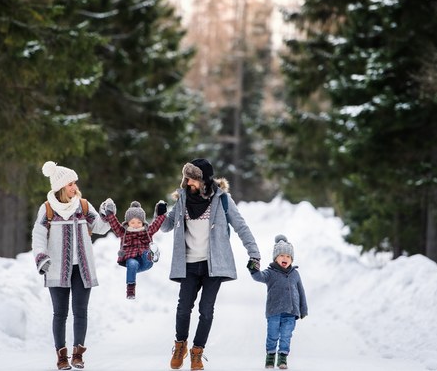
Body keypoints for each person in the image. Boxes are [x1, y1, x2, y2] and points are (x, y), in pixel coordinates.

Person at [160, 158, 261, 370]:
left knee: (206, 310)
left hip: (212, 266)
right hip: (187, 264)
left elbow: (241, 227)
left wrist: (254, 253)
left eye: (192, 179)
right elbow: (166, 226)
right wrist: (159, 214)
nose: (188, 183)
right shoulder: (182, 199)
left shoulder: (222, 200)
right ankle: (180, 346)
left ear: (204, 180)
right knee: (183, 308)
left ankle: (197, 352)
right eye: (186, 179)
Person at [31, 161, 111, 370]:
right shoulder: (47, 209)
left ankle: (78, 355)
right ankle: (61, 357)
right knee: (60, 313)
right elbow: (38, 235)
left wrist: (107, 213)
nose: (74, 187)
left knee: (81, 312)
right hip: (56, 268)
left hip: (82, 269)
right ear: (60, 187)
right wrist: (41, 257)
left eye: (74, 183)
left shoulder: (83, 206)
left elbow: (100, 227)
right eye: (70, 184)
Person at [248, 235, 308, 369]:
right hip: (274, 311)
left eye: (288, 256)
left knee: (286, 335)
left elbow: (301, 291)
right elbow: (259, 277)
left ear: (292, 259)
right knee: (272, 335)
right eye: (281, 256)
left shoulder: (295, 274)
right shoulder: (270, 273)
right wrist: (253, 268)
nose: (285, 258)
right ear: (275, 258)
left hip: (291, 312)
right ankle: (270, 356)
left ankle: (282, 358)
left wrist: (303, 309)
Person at [99, 199, 167, 299]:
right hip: (132, 262)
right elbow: (114, 223)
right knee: (132, 263)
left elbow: (156, 224)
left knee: (146, 253)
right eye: (133, 222)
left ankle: (152, 255)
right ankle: (130, 289)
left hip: (146, 261)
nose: (136, 225)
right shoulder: (123, 232)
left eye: (139, 222)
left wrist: (161, 213)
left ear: (143, 222)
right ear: (128, 222)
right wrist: (109, 213)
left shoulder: (147, 231)